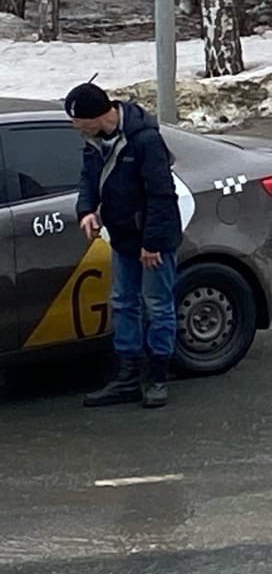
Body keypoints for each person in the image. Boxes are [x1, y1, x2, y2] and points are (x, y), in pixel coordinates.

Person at [64, 83, 181, 409]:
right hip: (124, 237)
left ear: (97, 115)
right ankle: (127, 376)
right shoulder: (95, 142)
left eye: (79, 121)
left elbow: (161, 194)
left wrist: (153, 243)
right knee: (123, 302)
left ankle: (158, 377)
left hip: (152, 239)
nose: (76, 128)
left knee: (157, 304)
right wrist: (86, 210)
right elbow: (89, 178)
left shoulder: (145, 140)